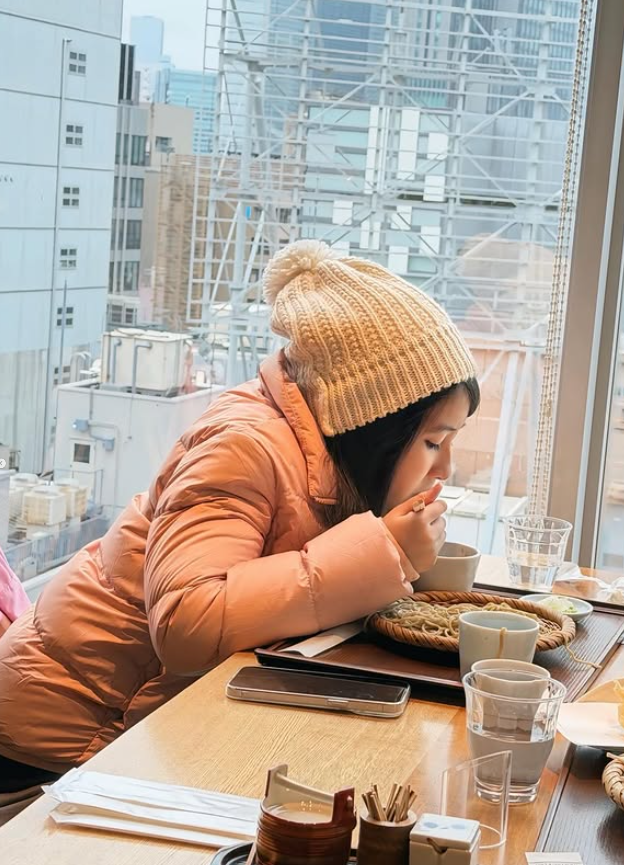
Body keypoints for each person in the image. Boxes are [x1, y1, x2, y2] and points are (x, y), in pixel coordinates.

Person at [0, 240, 479, 796]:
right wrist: (384, 553)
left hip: (134, 731)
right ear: (371, 428)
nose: (445, 467)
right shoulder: (243, 445)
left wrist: (396, 550)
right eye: (433, 442)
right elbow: (187, 623)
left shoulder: (325, 454)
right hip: (45, 753)